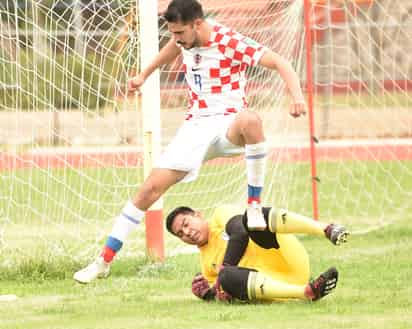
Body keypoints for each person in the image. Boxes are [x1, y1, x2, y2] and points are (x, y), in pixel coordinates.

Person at [74, 0, 307, 284]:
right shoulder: (184, 41)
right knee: (148, 189)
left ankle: (254, 205)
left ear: (197, 24)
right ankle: (103, 262)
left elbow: (280, 62)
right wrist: (144, 74)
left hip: (228, 125)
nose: (176, 40)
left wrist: (296, 96)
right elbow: (172, 48)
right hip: (195, 128)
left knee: (251, 120)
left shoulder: (228, 41)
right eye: (172, 33)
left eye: (180, 33)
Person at [166, 204, 349, 302]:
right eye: (180, 234)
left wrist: (224, 269)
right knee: (227, 277)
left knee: (253, 216)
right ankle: (307, 292)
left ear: (197, 215)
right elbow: (226, 292)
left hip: (287, 258)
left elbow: (240, 232)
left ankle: (326, 229)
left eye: (186, 224)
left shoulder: (220, 214)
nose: (187, 233)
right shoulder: (206, 266)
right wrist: (210, 295)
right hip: (278, 287)